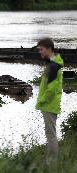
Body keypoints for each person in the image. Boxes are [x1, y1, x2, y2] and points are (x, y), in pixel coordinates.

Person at [36, 38, 64, 169]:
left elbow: (51, 90)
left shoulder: (53, 66)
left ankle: (51, 163)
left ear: (48, 49)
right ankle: (51, 161)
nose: (39, 52)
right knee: (50, 133)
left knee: (51, 134)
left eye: (41, 49)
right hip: (50, 105)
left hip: (49, 105)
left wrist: (41, 101)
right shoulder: (53, 64)